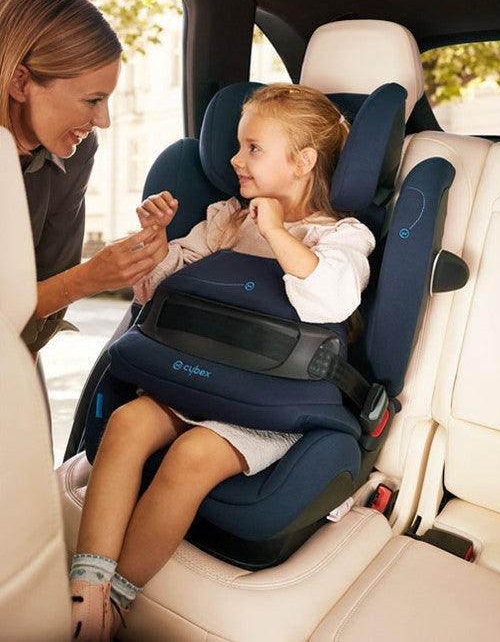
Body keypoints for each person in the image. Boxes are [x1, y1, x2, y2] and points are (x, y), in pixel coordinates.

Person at [68, 84, 376, 640]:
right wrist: (156, 247)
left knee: (192, 455)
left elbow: (330, 299)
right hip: (198, 383)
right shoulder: (227, 220)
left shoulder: (343, 239)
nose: (235, 160)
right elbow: (158, 296)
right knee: (127, 421)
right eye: (237, 146)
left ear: (303, 161)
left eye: (253, 148)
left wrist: (278, 232)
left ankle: (115, 599)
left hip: (267, 409)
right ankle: (85, 587)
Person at [0, 0, 167, 353]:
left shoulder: (78, 152)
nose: (104, 120)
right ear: (21, 82)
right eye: (92, 101)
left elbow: (50, 283)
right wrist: (91, 277)